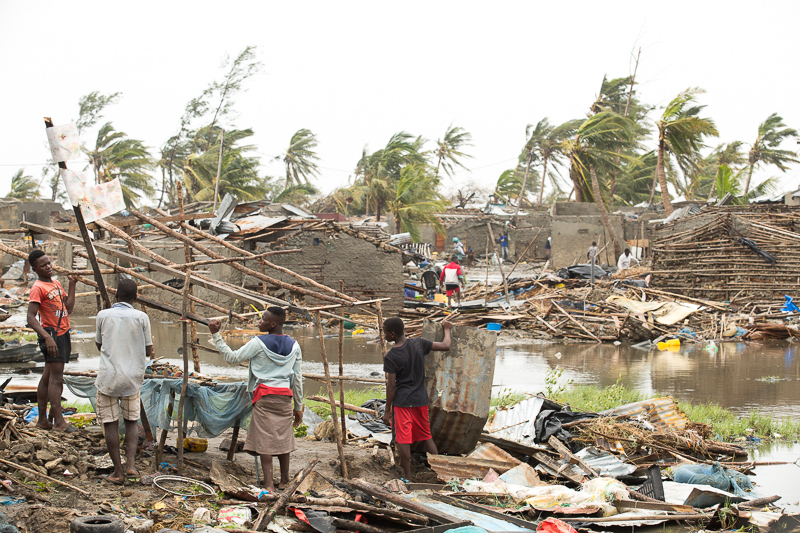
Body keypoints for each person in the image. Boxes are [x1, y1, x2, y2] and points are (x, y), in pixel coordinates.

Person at [208, 307, 303, 493]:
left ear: (273, 324)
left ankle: (268, 485)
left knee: (265, 440)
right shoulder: (295, 345)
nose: (259, 322)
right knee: (283, 437)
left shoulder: (258, 343)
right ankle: (284, 481)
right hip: (284, 397)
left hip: (264, 396)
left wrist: (216, 335)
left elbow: (232, 358)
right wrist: (298, 407)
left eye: (262, 319)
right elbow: (297, 379)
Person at [95, 279, 153, 484]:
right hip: (132, 379)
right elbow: (148, 350)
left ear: (115, 295)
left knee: (110, 423)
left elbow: (99, 344)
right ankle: (130, 466)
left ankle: (117, 472)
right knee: (131, 421)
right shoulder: (141, 317)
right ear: (135, 298)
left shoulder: (103, 315)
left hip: (108, 378)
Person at [382, 318, 453, 481]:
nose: (384, 334)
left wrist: (387, 411)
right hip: (420, 400)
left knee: (403, 439)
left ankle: (407, 477)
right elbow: (445, 346)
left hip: (402, 403)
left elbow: (391, 386)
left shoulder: (391, 356)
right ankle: (441, 473)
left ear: (393, 334)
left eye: (385, 331)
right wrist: (447, 329)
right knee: (426, 437)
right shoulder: (419, 343)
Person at [26, 249, 77, 432]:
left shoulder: (55, 283)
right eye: (43, 265)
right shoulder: (38, 288)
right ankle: (59, 422)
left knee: (48, 377)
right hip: (52, 334)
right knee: (57, 379)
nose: (48, 267)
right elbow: (31, 318)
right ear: (35, 269)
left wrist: (72, 284)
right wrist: (47, 337)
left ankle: (42, 420)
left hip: (63, 332)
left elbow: (68, 308)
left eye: (48, 263)